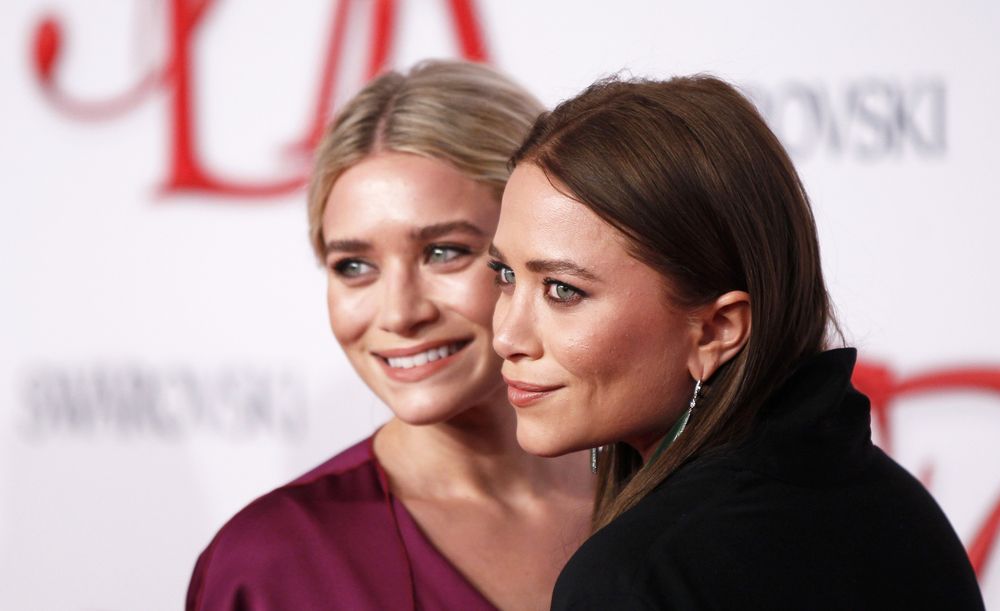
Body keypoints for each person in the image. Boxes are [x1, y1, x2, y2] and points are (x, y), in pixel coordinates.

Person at [489, 74, 985, 610]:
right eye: (505, 274)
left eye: (562, 290)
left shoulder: (637, 577)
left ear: (717, 330)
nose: (507, 336)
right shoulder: (905, 515)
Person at [186, 60, 593, 611]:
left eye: (444, 252)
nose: (399, 314)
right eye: (354, 266)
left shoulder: (672, 502)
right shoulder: (268, 564)